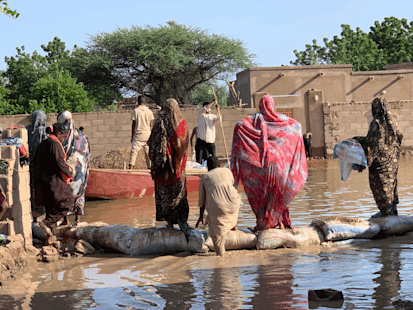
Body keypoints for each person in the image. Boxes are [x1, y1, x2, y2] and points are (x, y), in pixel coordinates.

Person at [231, 95, 308, 232]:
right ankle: (281, 224)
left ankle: (262, 225)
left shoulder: (251, 121)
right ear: (272, 105)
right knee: (280, 196)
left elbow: (240, 125)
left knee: (261, 197)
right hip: (281, 170)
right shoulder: (283, 122)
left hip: (260, 171)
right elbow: (297, 125)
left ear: (260, 105)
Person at [148, 98, 192, 236]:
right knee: (178, 193)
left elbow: (152, 144)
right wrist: (178, 163)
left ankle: (169, 223)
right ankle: (181, 221)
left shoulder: (159, 123)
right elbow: (184, 146)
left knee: (164, 194)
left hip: (163, 169)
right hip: (178, 169)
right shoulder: (183, 124)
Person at [353, 98, 403, 218]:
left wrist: (364, 162)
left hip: (380, 162)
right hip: (392, 161)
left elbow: (373, 144)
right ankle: (393, 209)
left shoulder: (376, 123)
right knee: (391, 184)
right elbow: (399, 137)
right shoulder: (393, 122)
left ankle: (386, 212)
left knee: (381, 185)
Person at [33, 123, 74, 244]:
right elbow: (60, 162)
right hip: (53, 181)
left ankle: (50, 237)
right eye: (63, 136)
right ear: (58, 134)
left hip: (41, 182)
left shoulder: (42, 144)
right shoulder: (55, 144)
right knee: (68, 202)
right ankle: (46, 223)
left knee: (51, 207)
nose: (64, 138)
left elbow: (34, 162)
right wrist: (69, 173)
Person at [196, 156, 240, 257]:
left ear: (208, 167)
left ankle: (221, 257)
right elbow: (232, 185)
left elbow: (202, 201)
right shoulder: (227, 171)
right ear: (219, 165)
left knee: (216, 235)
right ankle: (234, 224)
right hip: (234, 204)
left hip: (219, 207)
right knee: (232, 200)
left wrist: (200, 216)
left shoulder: (205, 177)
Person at [57, 111, 91, 225]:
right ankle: (77, 218)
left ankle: (65, 219)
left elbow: (61, 152)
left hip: (69, 169)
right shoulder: (81, 135)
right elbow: (88, 153)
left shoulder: (64, 135)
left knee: (65, 193)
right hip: (81, 169)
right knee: (80, 192)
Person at [25, 110, 48, 220]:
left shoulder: (28, 131)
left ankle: (34, 214)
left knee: (33, 188)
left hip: (31, 165)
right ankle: (45, 213)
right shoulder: (46, 133)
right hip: (44, 166)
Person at [129, 96, 154, 169]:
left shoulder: (135, 111)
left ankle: (131, 167)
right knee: (148, 152)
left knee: (134, 151)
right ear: (145, 103)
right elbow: (150, 124)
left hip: (138, 135)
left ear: (138, 102)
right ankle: (150, 168)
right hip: (147, 135)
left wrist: (132, 136)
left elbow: (134, 124)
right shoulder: (149, 111)